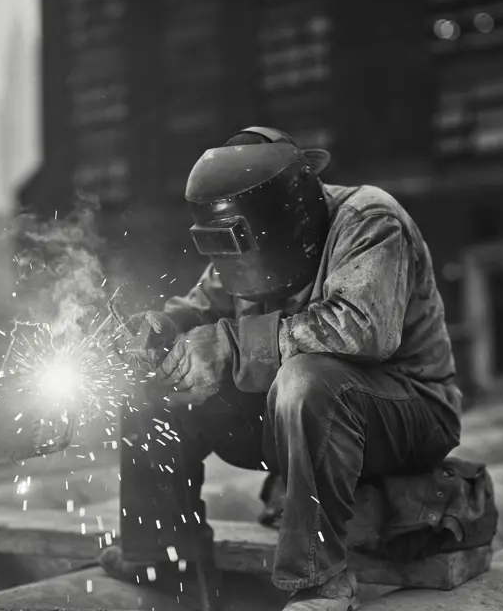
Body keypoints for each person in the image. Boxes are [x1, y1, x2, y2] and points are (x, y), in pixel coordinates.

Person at [107, 126, 462, 611]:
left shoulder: (368, 219)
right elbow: (201, 307)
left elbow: (362, 327)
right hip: (295, 419)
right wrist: (162, 328)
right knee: (155, 385)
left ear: (290, 215)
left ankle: (321, 580)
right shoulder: (240, 242)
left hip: (408, 413)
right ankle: (159, 557)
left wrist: (231, 344)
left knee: (306, 379)